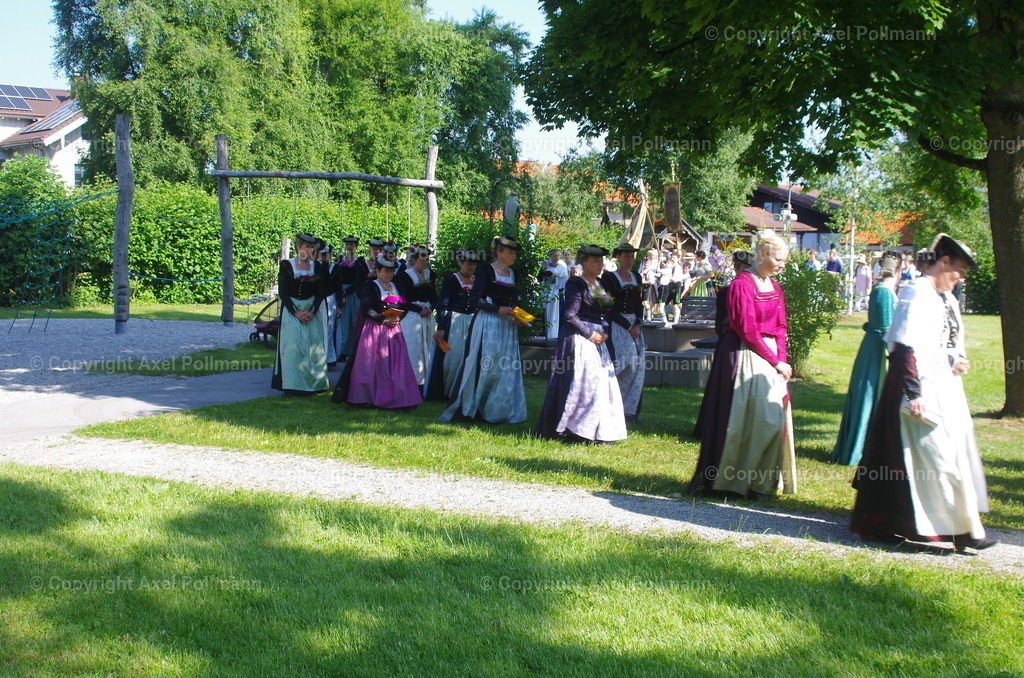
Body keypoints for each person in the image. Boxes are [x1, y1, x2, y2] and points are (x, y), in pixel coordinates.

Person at [850, 234, 996, 552]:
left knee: (930, 454)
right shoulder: (916, 292)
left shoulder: (945, 297)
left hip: (941, 386)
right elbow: (903, 345)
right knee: (935, 454)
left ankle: (893, 524)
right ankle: (961, 530)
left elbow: (938, 343)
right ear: (944, 263)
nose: (959, 279)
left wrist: (954, 360)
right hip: (914, 387)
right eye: (957, 272)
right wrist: (913, 393)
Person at [687, 232, 796, 498]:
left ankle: (760, 481)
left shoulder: (774, 285)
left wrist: (781, 360)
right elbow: (746, 328)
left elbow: (781, 326)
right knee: (750, 419)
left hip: (769, 356)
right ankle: (733, 482)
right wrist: (774, 360)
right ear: (762, 255)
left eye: (784, 259)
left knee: (773, 418)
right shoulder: (741, 285)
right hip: (744, 353)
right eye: (778, 259)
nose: (782, 264)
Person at [537, 245, 628, 442]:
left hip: (598, 339)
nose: (600, 264)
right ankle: (575, 429)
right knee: (585, 384)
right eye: (595, 261)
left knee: (602, 385)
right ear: (584, 262)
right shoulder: (576, 284)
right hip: (579, 338)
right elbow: (569, 315)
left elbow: (607, 311)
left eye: (601, 261)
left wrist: (618, 328)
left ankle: (595, 429)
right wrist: (590, 333)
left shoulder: (601, 283)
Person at [440, 235, 528, 424]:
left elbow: (514, 301)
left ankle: (499, 409)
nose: (514, 256)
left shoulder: (514, 273)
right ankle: (476, 407)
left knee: (504, 367)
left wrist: (519, 317)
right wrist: (498, 309)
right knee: (485, 365)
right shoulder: (485, 271)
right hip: (488, 324)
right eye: (510, 252)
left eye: (515, 253)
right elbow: (475, 300)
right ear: (499, 253)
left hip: (507, 326)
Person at [830, 254, 900, 465]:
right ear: (896, 272)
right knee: (870, 395)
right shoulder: (884, 292)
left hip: (876, 345)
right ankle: (861, 449)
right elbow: (884, 326)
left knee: (871, 396)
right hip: (878, 350)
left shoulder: (883, 290)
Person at [331, 257, 422, 409]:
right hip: (374, 330)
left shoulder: (396, 286)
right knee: (370, 363)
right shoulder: (371, 286)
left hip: (394, 331)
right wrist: (383, 320)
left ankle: (397, 397)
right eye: (385, 270)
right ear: (377, 271)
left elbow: (404, 305)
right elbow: (366, 308)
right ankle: (367, 397)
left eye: (391, 271)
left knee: (396, 364)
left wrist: (399, 318)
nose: (389, 274)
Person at [691, 249, 755, 442]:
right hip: (732, 346)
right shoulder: (727, 292)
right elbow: (721, 326)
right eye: (740, 267)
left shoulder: (758, 290)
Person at [271, 233, 330, 394]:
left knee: (313, 346)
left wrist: (311, 311)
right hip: (292, 308)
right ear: (298, 247)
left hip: (312, 308)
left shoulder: (317, 266)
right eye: (306, 246)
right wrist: (296, 312)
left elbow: (320, 292)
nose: (309, 250)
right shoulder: (286, 265)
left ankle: (314, 384)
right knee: (293, 346)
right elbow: (283, 292)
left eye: (311, 247)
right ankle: (292, 384)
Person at [424, 248, 482, 400]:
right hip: (456, 322)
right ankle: (449, 392)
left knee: (471, 357)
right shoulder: (451, 280)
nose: (472, 268)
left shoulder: (477, 280)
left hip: (473, 322)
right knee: (453, 358)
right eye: (469, 264)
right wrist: (441, 327)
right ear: (460, 263)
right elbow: (443, 304)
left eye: (474, 265)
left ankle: (467, 391)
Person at [602, 244, 646, 424]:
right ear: (618, 257)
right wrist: (627, 326)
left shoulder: (636, 276)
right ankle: (610, 405)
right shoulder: (609, 277)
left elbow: (639, 304)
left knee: (636, 367)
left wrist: (638, 323)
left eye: (632, 256)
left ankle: (629, 410)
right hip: (617, 325)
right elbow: (607, 306)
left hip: (634, 326)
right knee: (620, 365)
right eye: (626, 256)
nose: (629, 260)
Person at [395, 245, 437, 386]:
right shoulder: (404, 276)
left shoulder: (431, 275)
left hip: (427, 314)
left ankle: (427, 379)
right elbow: (403, 299)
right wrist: (418, 309)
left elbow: (434, 296)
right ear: (414, 259)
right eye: (422, 259)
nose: (425, 263)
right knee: (413, 346)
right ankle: (412, 380)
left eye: (427, 260)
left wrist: (430, 308)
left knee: (428, 345)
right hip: (412, 315)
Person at [332, 235, 363, 361]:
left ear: (356, 246)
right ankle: (343, 351)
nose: (350, 246)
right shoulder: (339, 260)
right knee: (344, 322)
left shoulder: (360, 261)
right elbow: (336, 276)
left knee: (355, 320)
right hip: (342, 293)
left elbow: (360, 279)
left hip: (354, 292)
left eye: (352, 244)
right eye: (348, 244)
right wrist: (340, 291)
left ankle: (355, 351)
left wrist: (349, 289)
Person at [539, 249, 569, 342]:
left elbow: (564, 280)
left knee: (555, 312)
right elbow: (540, 278)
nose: (556, 258)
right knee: (546, 311)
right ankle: (546, 331)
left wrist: (554, 279)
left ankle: (555, 333)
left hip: (556, 291)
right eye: (554, 256)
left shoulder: (561, 267)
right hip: (546, 290)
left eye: (558, 256)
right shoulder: (546, 265)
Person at [640, 249, 660, 321]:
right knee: (642, 302)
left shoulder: (651, 270)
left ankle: (649, 317)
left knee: (647, 301)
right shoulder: (643, 265)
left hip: (649, 286)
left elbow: (651, 281)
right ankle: (643, 317)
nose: (646, 265)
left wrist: (644, 282)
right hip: (643, 286)